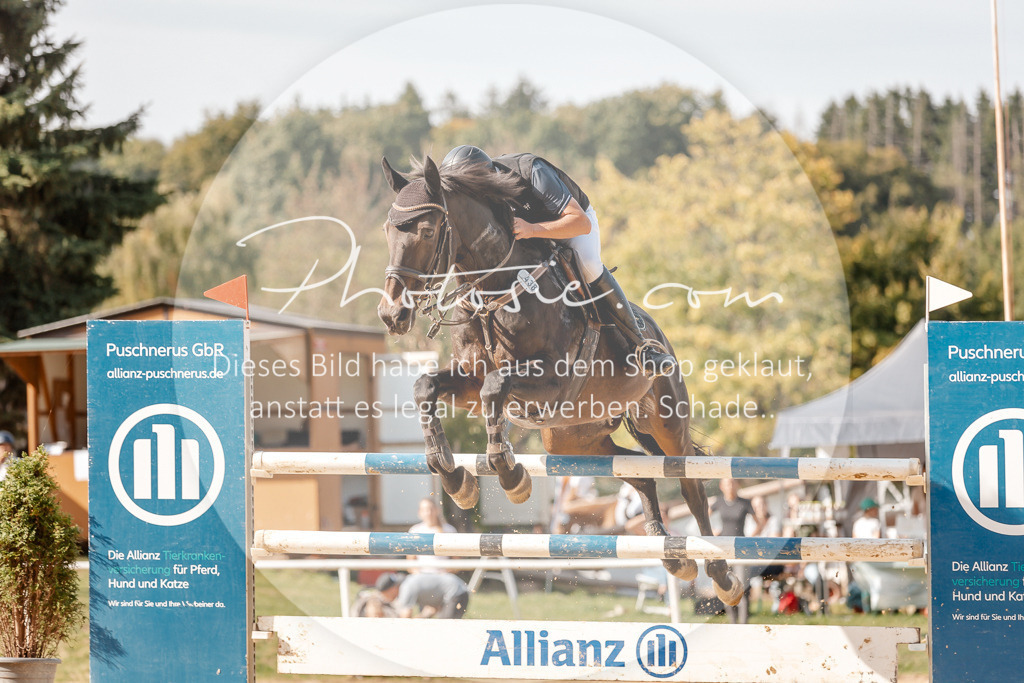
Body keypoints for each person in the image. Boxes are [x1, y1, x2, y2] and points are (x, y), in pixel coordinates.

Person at [440, 145, 677, 379]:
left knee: (590, 266)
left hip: (571, 222)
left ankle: (643, 348)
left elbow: (580, 223)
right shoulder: (479, 196)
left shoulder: (533, 172)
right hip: (527, 229)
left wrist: (533, 229)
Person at [712, 478, 754, 624]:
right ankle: (732, 623)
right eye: (727, 483)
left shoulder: (745, 503)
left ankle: (743, 624)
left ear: (737, 485)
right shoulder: (718, 502)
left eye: (733, 482)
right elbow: (701, 517)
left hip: (741, 549)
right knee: (727, 587)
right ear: (721, 486)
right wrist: (711, 532)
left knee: (742, 587)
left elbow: (760, 521)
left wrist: (752, 538)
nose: (730, 486)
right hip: (723, 549)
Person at [382, 571, 471, 619]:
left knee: (446, 627)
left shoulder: (406, 587)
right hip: (455, 590)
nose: (386, 598)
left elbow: (405, 620)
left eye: (385, 595)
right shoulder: (408, 582)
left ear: (392, 588)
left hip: (456, 592)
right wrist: (424, 615)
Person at [408, 496, 457, 572]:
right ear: (420, 512)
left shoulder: (449, 530)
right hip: (421, 574)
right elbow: (410, 562)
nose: (429, 513)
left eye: (431, 509)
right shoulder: (415, 530)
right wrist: (418, 574)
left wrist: (444, 573)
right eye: (425, 510)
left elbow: (456, 560)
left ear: (437, 510)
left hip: (444, 575)